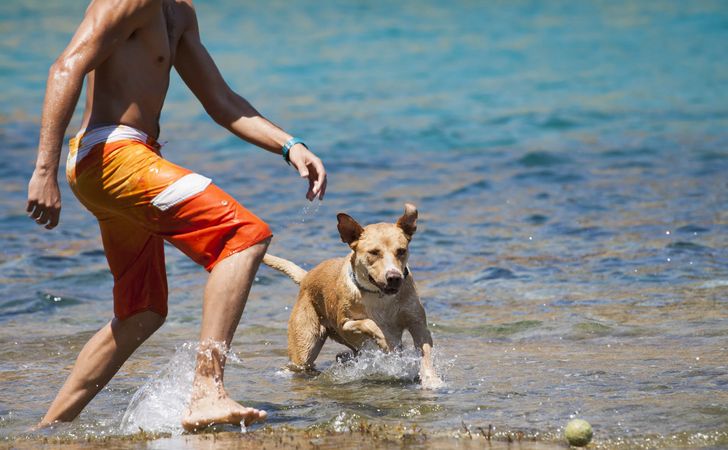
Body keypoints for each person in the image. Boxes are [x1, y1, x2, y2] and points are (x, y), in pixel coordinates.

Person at [26, 0, 326, 431]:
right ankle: (207, 391)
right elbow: (64, 67)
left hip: (128, 159)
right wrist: (42, 172)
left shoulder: (179, 13)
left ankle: (47, 429)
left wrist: (289, 144)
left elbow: (222, 101)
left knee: (142, 311)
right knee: (244, 235)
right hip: (111, 155)